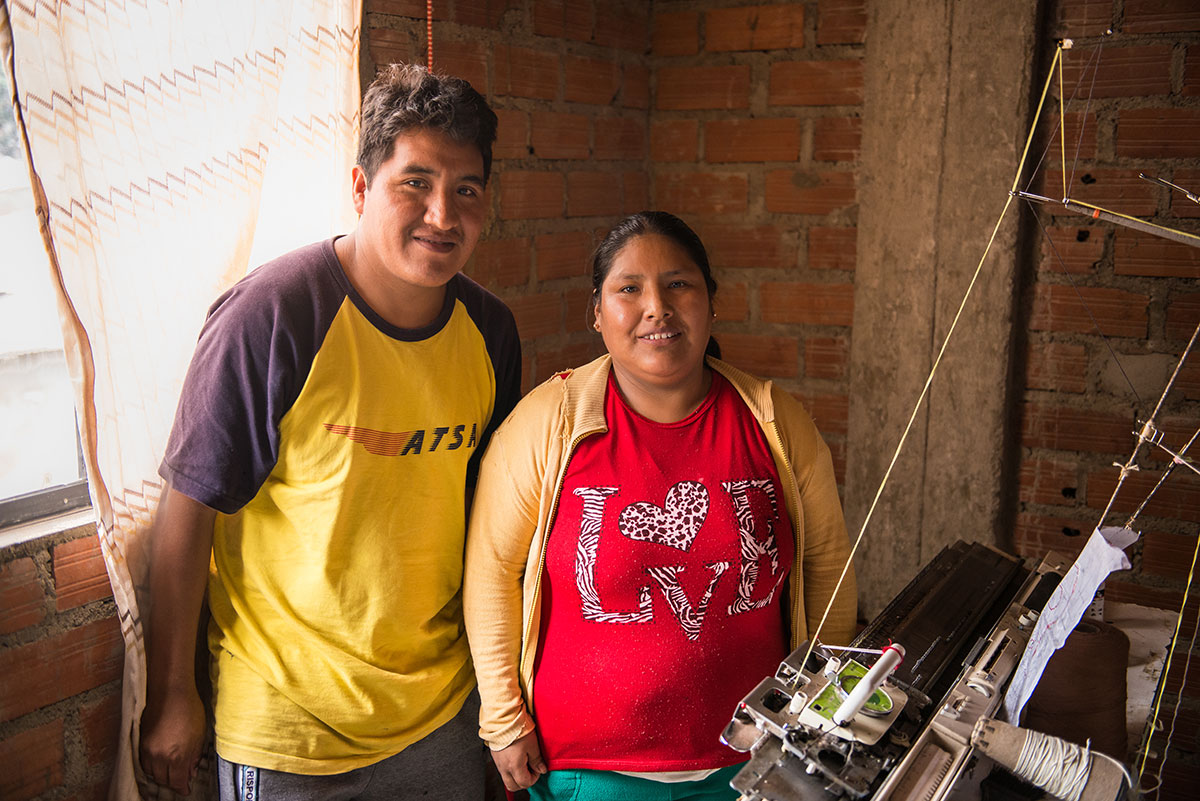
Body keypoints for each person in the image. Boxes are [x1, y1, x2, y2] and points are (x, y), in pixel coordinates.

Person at [138, 64, 521, 800]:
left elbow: (492, 524)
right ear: (359, 187)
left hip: (440, 716)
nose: (442, 214)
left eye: (466, 190)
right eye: (415, 182)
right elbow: (187, 508)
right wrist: (173, 692)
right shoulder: (274, 315)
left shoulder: (491, 330)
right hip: (289, 730)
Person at [463, 211, 857, 800]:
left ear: (711, 303)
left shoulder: (774, 421)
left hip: (751, 759)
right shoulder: (549, 422)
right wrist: (502, 718)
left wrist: (821, 707)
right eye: (629, 289)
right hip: (589, 771)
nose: (657, 307)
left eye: (678, 284)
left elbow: (826, 561)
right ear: (597, 312)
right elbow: (492, 571)